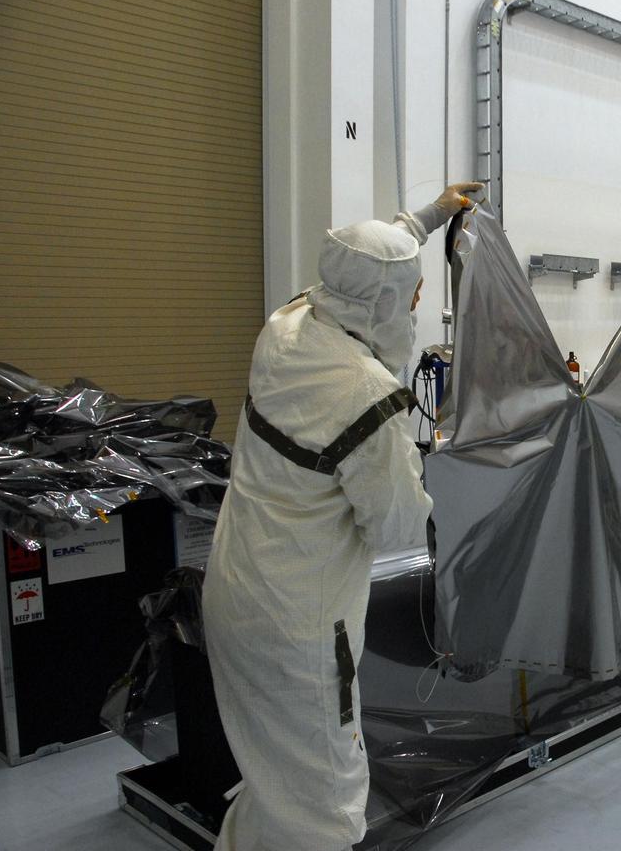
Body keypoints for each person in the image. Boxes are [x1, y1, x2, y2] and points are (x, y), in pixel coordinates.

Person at [202, 182, 482, 851]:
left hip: (234, 594)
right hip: (299, 630)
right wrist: (436, 456)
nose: (417, 308)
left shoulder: (289, 325)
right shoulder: (364, 394)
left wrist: (429, 218)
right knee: (324, 803)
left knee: (272, 784)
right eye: (412, 298)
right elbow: (398, 528)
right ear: (384, 304)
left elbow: (358, 272)